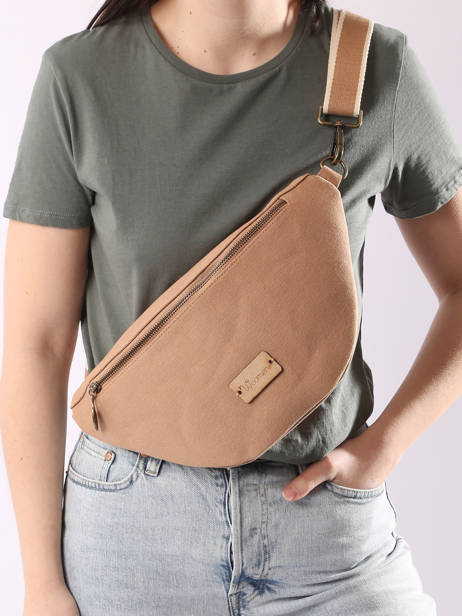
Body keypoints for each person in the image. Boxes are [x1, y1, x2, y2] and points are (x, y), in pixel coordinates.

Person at [2, 0, 462, 614]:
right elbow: (36, 343)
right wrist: (41, 583)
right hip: (131, 532)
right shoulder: (80, 77)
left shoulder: (373, 67)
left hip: (325, 534)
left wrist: (386, 446)